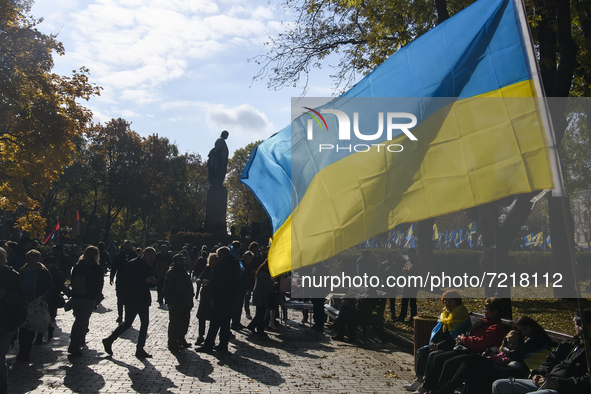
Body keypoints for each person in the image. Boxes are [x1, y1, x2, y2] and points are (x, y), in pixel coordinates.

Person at [412, 297, 505, 394]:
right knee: (438, 357)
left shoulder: (496, 327)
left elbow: (481, 342)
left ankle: (440, 391)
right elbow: (472, 335)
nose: (484, 312)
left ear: (495, 312)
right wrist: (463, 337)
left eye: (487, 310)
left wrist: (464, 339)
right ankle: (428, 388)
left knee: (448, 363)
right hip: (466, 349)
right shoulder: (483, 323)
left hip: (476, 354)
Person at [492, 309, 591, 394]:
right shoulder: (568, 344)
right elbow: (549, 361)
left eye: (585, 326)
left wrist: (558, 383)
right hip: (546, 381)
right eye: (578, 324)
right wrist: (538, 373)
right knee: (499, 385)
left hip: (563, 389)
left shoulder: (588, 351)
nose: (581, 329)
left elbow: (587, 382)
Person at [404, 290, 471, 392]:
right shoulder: (445, 313)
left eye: (450, 301)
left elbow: (453, 338)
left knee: (433, 355)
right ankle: (419, 380)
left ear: (457, 301)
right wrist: (432, 343)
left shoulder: (460, 315)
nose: (447, 303)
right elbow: (437, 331)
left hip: (453, 346)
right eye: (445, 301)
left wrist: (438, 346)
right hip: (441, 344)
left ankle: (426, 384)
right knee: (422, 351)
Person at [102, 247, 157, 358]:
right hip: (132, 298)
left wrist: (153, 282)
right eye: (150, 256)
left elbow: (150, 284)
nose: (151, 259)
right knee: (127, 323)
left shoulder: (150, 267)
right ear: (144, 253)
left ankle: (140, 349)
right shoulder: (132, 264)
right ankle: (109, 340)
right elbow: (127, 281)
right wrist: (144, 280)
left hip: (143, 299)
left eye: (153, 257)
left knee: (145, 323)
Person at [197, 246, 240, 352]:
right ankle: (223, 344)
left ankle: (208, 345)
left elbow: (220, 283)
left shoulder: (224, 265)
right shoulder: (235, 263)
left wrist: (213, 296)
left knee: (215, 323)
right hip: (231, 297)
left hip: (222, 298)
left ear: (223, 254)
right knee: (225, 323)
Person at [67, 246, 104, 356]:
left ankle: (72, 343)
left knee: (77, 320)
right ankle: (76, 346)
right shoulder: (96, 267)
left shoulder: (78, 266)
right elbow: (99, 283)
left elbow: (72, 279)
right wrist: (98, 295)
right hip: (89, 297)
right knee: (83, 322)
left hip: (77, 296)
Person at [17, 249, 53, 362]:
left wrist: (45, 295)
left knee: (31, 327)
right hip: (23, 301)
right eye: (29, 258)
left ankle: (27, 350)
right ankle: (22, 349)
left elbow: (50, 286)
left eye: (34, 258)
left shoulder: (44, 272)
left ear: (39, 259)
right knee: (22, 327)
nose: (31, 260)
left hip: (36, 302)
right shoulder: (22, 271)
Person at [0, 247, 26, 394]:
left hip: (6, 322)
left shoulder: (12, 276)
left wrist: (6, 295)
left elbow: (22, 299)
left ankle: (2, 388)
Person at [163, 254, 194, 353]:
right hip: (176, 302)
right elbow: (167, 288)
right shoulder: (172, 272)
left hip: (186, 301)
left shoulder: (183, 270)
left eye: (183, 260)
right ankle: (172, 342)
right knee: (175, 323)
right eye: (180, 261)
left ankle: (181, 339)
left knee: (185, 322)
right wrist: (169, 301)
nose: (182, 262)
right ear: (175, 261)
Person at [34, 256, 66, 344]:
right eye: (47, 263)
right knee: (40, 317)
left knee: (46, 317)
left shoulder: (58, 273)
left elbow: (59, 286)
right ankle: (45, 332)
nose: (48, 265)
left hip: (52, 299)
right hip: (42, 297)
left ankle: (41, 336)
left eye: (50, 263)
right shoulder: (41, 272)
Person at [109, 240, 137, 323]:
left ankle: (128, 317)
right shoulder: (119, 256)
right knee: (120, 298)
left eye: (129, 245)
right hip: (120, 279)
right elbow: (114, 267)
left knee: (129, 299)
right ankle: (120, 315)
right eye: (126, 245)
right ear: (123, 246)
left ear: (131, 246)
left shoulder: (134, 255)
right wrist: (111, 277)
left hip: (131, 280)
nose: (127, 247)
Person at [194, 253, 219, 346]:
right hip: (204, 295)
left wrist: (210, 282)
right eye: (211, 260)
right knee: (202, 316)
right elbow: (200, 277)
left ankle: (211, 338)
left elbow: (218, 282)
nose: (212, 262)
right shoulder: (207, 268)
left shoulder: (218, 270)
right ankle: (200, 335)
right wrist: (199, 281)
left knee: (212, 317)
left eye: (214, 260)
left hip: (212, 295)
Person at [247, 260, 275, 337]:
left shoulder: (263, 273)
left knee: (260, 314)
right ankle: (259, 330)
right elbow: (269, 286)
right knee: (260, 314)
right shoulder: (263, 274)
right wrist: (274, 285)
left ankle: (253, 326)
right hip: (261, 296)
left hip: (261, 296)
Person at [398, 248, 421, 322]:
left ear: (414, 254)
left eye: (410, 254)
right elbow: (403, 269)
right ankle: (402, 317)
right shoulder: (408, 261)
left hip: (413, 284)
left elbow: (417, 274)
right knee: (404, 301)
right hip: (407, 283)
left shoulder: (417, 262)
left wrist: (408, 272)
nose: (409, 255)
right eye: (408, 254)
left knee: (412, 301)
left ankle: (413, 317)